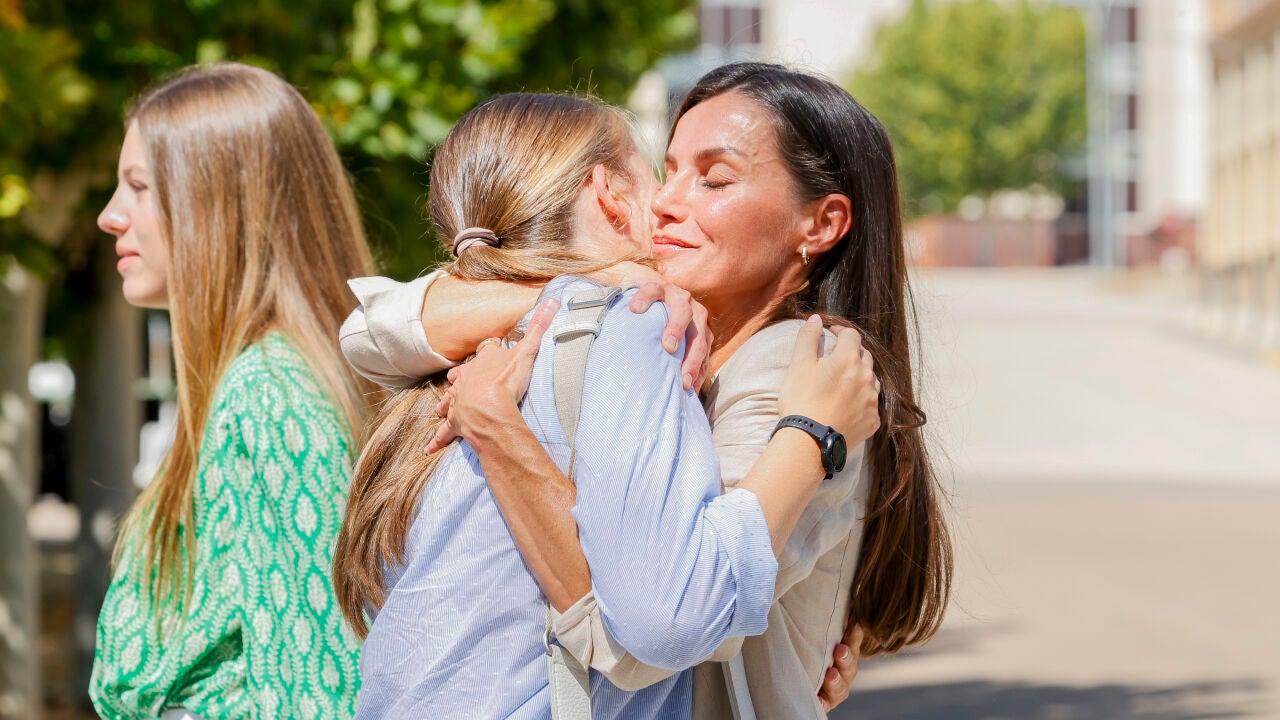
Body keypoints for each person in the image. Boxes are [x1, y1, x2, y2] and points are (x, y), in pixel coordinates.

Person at [343, 62, 953, 718]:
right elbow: (372, 328)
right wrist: (582, 287)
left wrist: (498, 428)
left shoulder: (797, 370)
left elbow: (649, 638)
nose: (666, 201)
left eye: (714, 178)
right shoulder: (638, 329)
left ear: (821, 224)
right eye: (669, 170)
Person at [90, 62, 377, 719]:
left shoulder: (268, 395)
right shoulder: (252, 383)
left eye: (138, 187)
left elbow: (320, 694)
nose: (111, 216)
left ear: (214, 200)